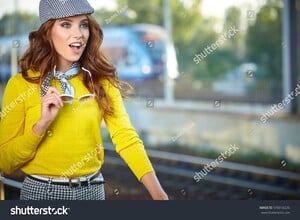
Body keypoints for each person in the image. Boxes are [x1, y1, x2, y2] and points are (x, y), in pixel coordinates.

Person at [0, 0, 168, 200]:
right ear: (47, 32)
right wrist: (41, 124)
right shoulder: (21, 84)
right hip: (41, 194)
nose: (79, 33)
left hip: (93, 191)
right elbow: (5, 162)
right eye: (66, 24)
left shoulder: (101, 81)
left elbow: (126, 138)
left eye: (83, 24)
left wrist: (159, 195)